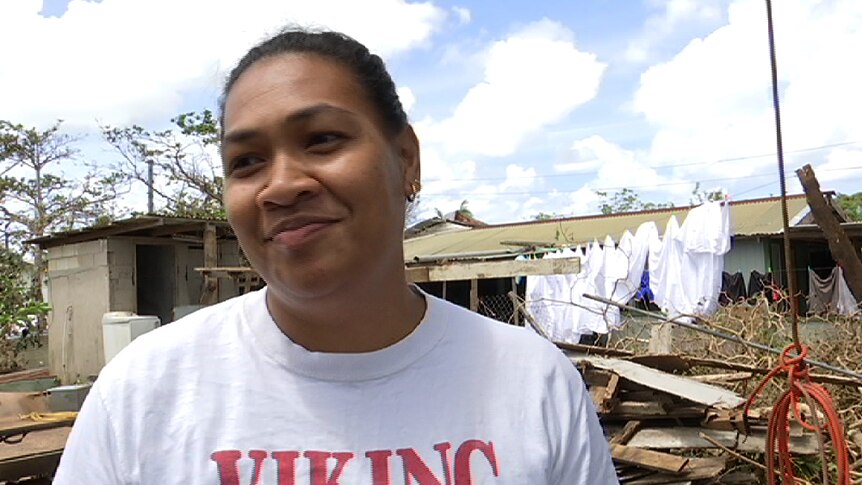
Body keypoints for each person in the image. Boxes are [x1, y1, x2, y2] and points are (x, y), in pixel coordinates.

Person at [54, 28, 618, 484]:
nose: (281, 185)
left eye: (322, 139)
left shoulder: (532, 381)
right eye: (246, 161)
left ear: (407, 160)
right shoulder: (145, 390)